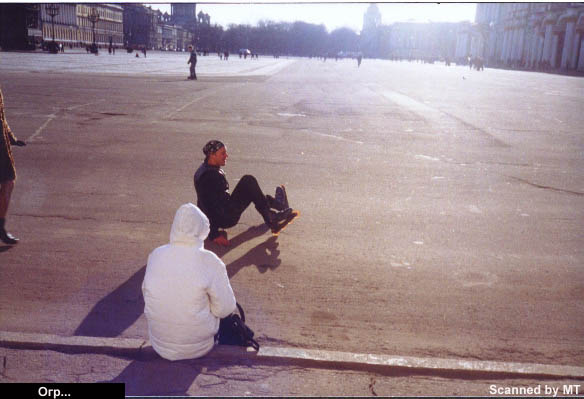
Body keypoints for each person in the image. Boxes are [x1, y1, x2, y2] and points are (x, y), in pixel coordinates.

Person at [142, 203, 237, 360]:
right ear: (202, 229)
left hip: (160, 343)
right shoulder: (209, 260)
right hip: (198, 346)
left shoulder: (156, 254)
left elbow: (147, 293)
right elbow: (225, 310)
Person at [194, 140, 298, 246]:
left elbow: (202, 201)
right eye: (223, 153)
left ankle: (277, 207)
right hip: (225, 217)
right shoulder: (208, 178)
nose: (226, 156)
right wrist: (214, 234)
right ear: (212, 155)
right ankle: (273, 215)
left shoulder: (206, 168)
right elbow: (207, 206)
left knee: (249, 184)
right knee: (249, 182)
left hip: (224, 209)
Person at [0, 88, 26, 245]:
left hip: (1, 146)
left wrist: (11, 138)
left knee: (8, 182)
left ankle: (0, 228)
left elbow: (1, 117)